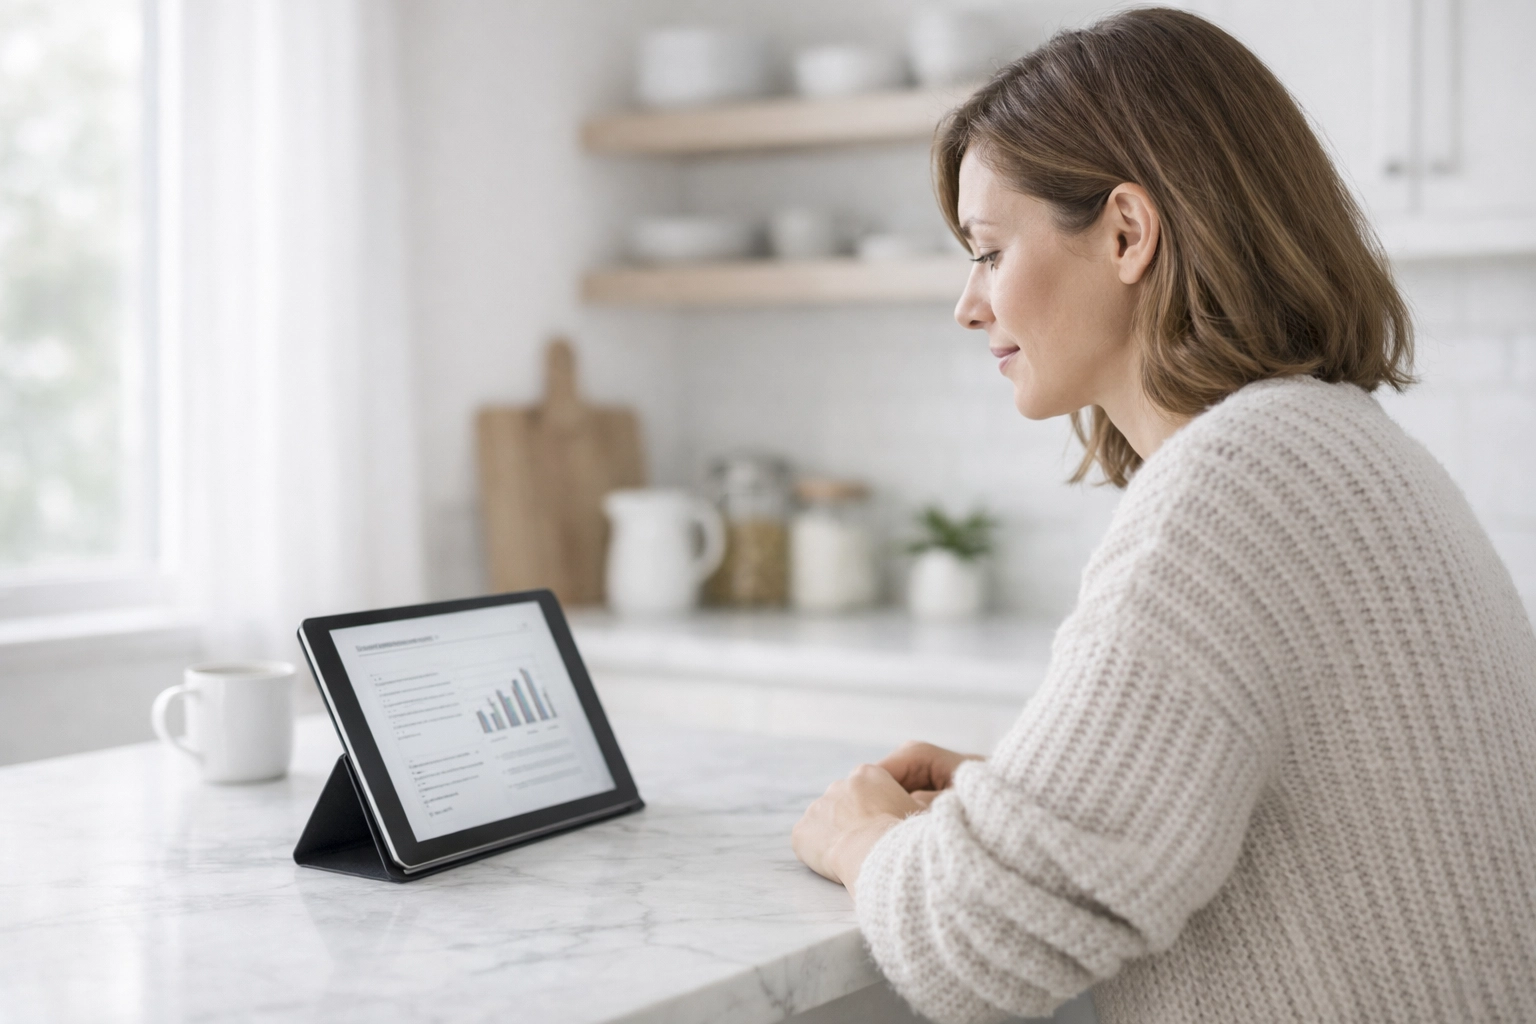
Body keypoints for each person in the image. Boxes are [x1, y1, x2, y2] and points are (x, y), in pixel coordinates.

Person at [790, 8, 1536, 1024]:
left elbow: (984, 942)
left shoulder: (1237, 485)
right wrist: (1031, 800)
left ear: (1128, 233)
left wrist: (857, 840)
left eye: (989, 251)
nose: (969, 304)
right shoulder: (1335, 445)